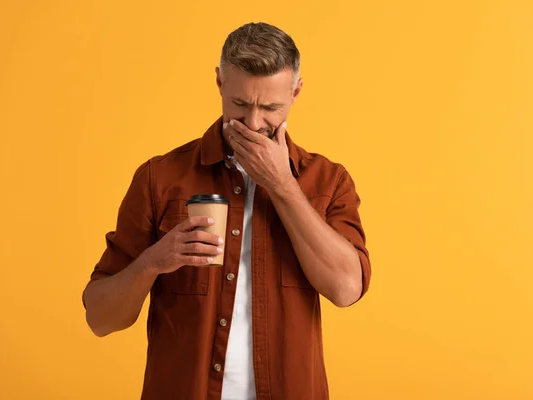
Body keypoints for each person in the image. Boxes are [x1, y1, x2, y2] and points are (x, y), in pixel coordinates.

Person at [82, 22, 371, 400]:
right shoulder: (160, 178)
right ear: (220, 83)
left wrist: (281, 184)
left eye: (271, 108)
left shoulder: (327, 182)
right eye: (239, 104)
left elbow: (347, 289)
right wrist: (155, 260)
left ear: (296, 91)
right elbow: (100, 318)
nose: (253, 123)